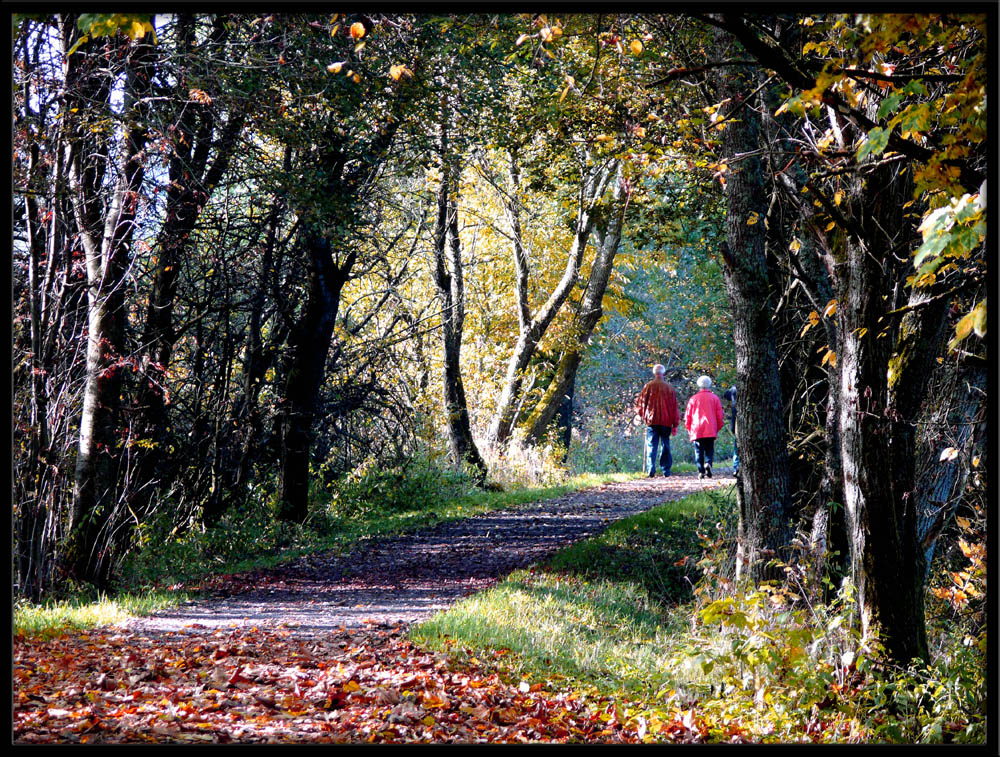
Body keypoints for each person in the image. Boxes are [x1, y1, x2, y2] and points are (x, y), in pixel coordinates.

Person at [634, 364, 679, 477]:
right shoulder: (669, 388)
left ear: (654, 373)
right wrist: (675, 424)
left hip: (652, 421)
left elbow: (640, 405)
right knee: (665, 444)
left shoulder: (648, 386)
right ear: (663, 373)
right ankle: (666, 471)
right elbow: (674, 407)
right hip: (666, 421)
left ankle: (651, 468)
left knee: (651, 445)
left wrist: (644, 417)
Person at [684, 375, 725, 479]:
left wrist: (689, 428)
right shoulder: (715, 398)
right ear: (709, 385)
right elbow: (720, 416)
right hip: (710, 428)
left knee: (698, 451)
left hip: (697, 429)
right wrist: (718, 427)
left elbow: (687, 416)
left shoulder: (693, 399)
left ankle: (701, 471)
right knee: (709, 449)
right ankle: (708, 464)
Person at [723, 385, 738, 476]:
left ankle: (736, 467)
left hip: (736, 421)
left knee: (737, 445)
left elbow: (726, 395)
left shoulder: (733, 389)